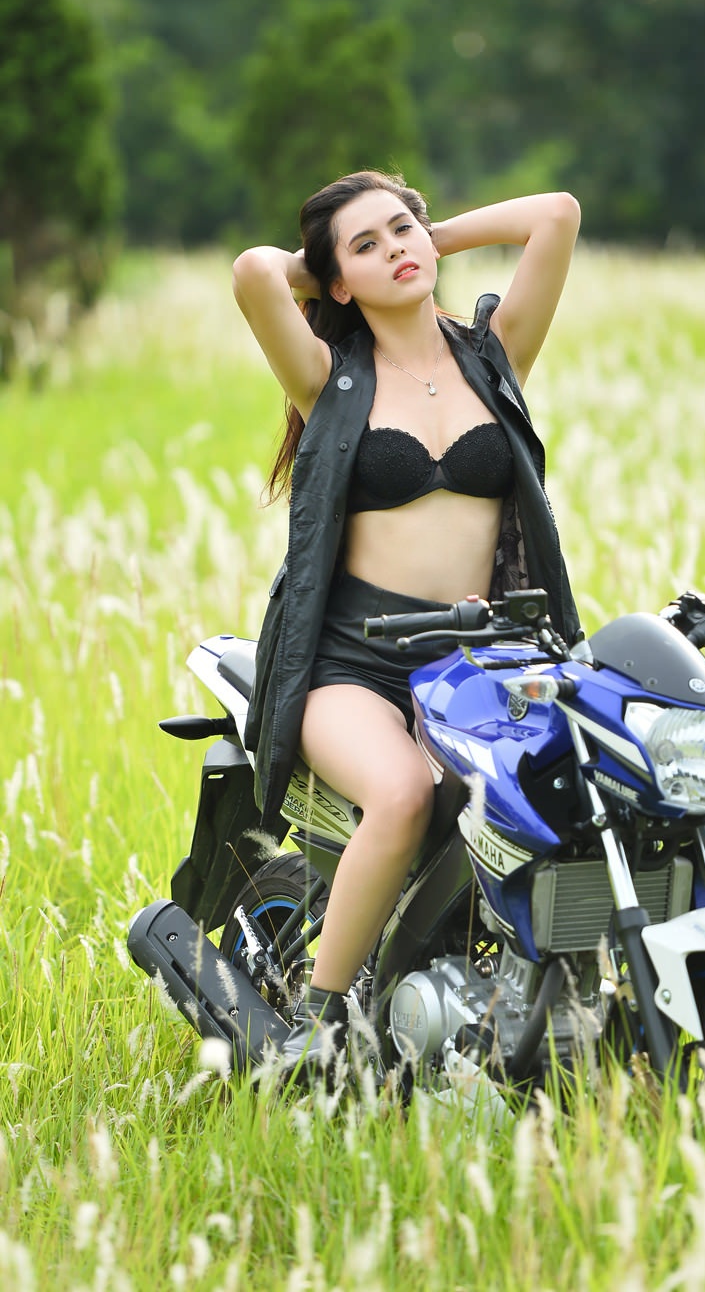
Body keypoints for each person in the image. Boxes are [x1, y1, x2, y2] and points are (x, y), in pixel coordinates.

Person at [232, 170, 581, 1080]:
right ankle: (316, 1028)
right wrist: (330, 271)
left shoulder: (493, 356)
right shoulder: (328, 378)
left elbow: (555, 215)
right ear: (336, 282)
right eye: (367, 245)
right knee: (400, 795)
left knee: (565, 795)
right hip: (351, 662)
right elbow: (254, 271)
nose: (394, 249)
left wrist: (427, 237)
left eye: (401, 230)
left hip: (478, 661)